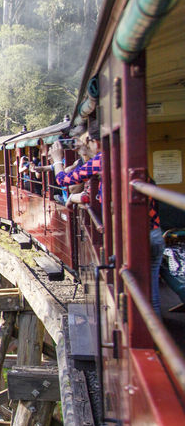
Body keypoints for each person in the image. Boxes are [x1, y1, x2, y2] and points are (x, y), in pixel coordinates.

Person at [50, 124, 164, 313]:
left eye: (86, 142)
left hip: (130, 239)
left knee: (131, 295)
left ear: (95, 142)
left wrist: (56, 160)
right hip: (154, 233)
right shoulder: (131, 156)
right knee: (151, 296)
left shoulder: (101, 161)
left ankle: (134, 335)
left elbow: (63, 180)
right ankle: (154, 337)